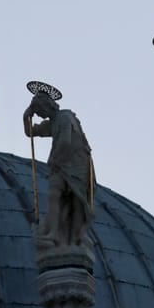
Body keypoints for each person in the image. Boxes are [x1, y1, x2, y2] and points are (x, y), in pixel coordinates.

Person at [23, 91, 94, 250]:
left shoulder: (64, 117)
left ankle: (77, 236)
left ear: (47, 106)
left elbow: (65, 142)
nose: (40, 115)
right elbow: (30, 132)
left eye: (40, 111)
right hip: (61, 163)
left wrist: (54, 161)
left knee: (76, 200)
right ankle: (53, 233)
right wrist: (26, 115)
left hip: (77, 162)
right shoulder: (53, 122)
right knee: (54, 195)